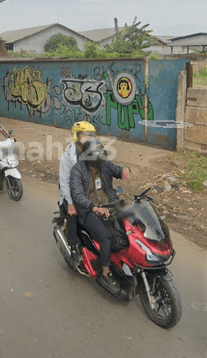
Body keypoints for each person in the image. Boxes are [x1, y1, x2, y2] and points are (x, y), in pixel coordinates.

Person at [70, 138, 131, 293]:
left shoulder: (104, 163)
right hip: (89, 210)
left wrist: (125, 170)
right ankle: (105, 272)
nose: (101, 162)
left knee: (131, 226)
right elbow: (77, 195)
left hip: (111, 205)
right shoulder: (77, 170)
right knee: (105, 237)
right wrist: (94, 208)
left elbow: (118, 170)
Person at [58, 121, 97, 264]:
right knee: (73, 214)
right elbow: (64, 181)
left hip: (87, 191)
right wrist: (70, 202)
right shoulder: (68, 157)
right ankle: (73, 247)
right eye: (85, 135)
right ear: (77, 136)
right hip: (70, 193)